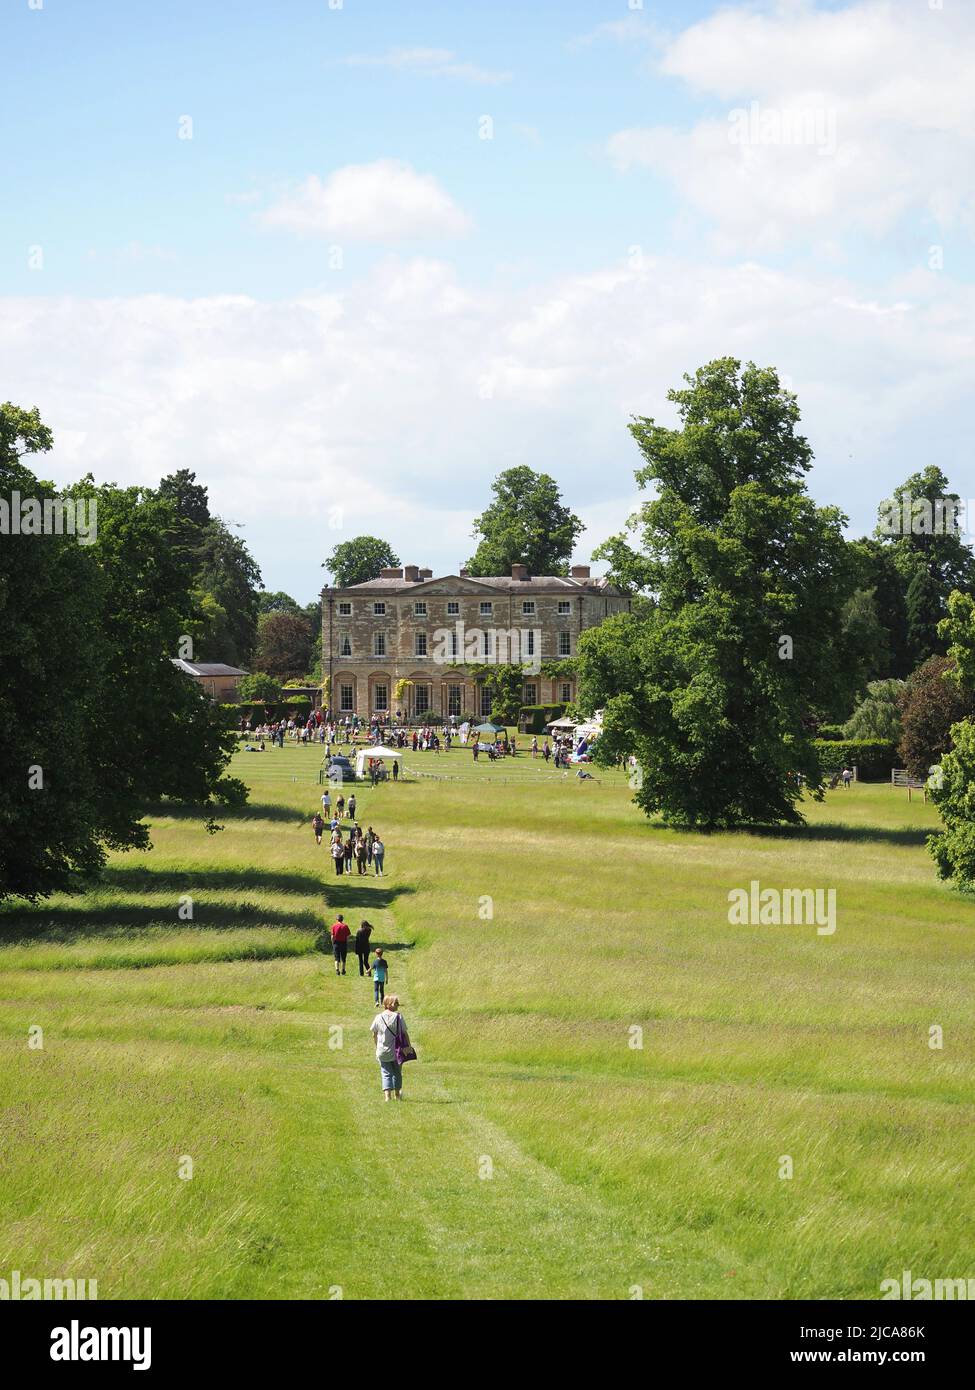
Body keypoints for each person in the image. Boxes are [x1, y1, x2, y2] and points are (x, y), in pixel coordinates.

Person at [370, 994, 410, 1101]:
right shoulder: (398, 1017)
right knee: (397, 1072)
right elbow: (405, 1033)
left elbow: (374, 1034)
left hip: (382, 1050)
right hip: (396, 1051)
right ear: (388, 1004)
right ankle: (397, 1095)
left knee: (385, 1072)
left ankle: (387, 1097)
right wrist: (408, 1047)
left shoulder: (378, 1017)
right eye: (396, 1003)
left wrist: (377, 1046)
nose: (398, 1005)